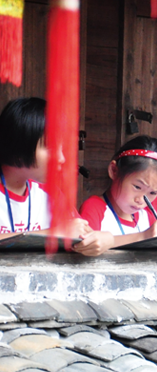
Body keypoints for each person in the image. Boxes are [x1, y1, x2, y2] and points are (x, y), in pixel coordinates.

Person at [0, 97, 112, 256]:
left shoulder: (51, 193)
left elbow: (83, 233)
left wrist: (105, 239)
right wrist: (52, 234)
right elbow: (62, 232)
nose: (61, 158)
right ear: (18, 143)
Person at [80, 135, 157, 247]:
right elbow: (87, 246)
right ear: (114, 171)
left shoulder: (147, 217)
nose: (141, 200)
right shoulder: (94, 208)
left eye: (153, 193)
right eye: (137, 187)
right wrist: (143, 236)